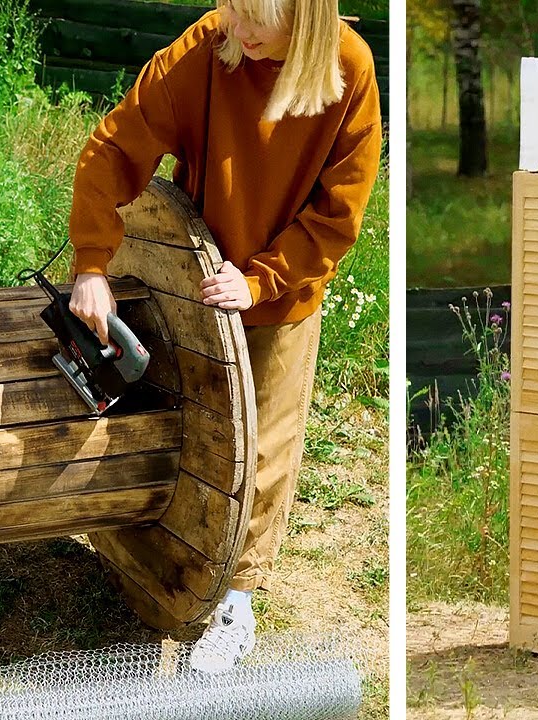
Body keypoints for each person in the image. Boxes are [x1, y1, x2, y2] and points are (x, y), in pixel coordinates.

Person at [65, 0, 383, 671]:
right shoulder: (209, 44)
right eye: (232, 11)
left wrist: (263, 280)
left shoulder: (350, 70)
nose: (235, 31)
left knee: (262, 449)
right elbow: (116, 147)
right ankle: (163, 559)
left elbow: (338, 213)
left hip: (281, 295)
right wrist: (92, 265)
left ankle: (237, 605)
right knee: (184, 424)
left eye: (255, 24)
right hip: (192, 275)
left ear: (304, 20)